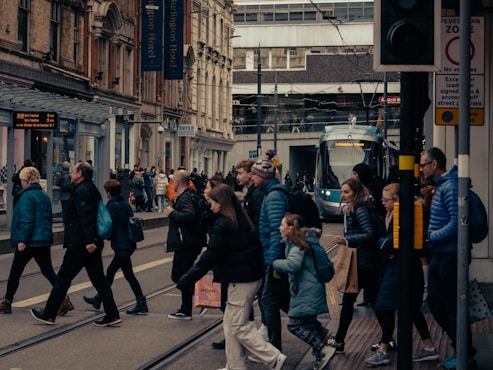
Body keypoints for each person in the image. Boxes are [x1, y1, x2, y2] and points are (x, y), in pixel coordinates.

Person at [176, 184, 287, 370]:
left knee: (237, 326)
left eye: (211, 202)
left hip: (240, 280)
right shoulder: (239, 218)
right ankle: (236, 365)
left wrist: (187, 278)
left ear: (221, 203)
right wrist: (206, 209)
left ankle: (273, 357)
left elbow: (209, 256)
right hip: (248, 277)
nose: (209, 205)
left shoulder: (224, 224)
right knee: (230, 324)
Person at [31, 161, 121, 327]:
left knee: (63, 278)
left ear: (80, 174)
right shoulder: (90, 189)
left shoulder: (82, 191)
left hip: (81, 244)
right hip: (88, 243)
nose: (71, 174)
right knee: (99, 280)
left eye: (73, 171)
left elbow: (85, 218)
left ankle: (49, 314)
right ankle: (112, 314)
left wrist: (89, 241)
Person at [365, 183, 439, 366]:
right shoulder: (399, 213)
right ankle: (428, 346)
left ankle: (384, 349)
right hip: (406, 267)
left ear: (397, 200)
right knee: (411, 309)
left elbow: (388, 244)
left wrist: (382, 244)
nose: (383, 203)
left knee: (383, 306)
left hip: (400, 269)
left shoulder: (401, 215)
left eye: (386, 199)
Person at [420, 147, 477, 369]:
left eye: (424, 164)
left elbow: (458, 222)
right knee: (435, 302)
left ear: (434, 165)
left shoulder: (451, 186)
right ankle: (461, 348)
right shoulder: (441, 186)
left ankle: (465, 354)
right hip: (440, 253)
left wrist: (431, 236)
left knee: (453, 307)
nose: (422, 169)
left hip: (451, 254)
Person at [0, 167, 73, 316]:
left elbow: (27, 220)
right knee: (48, 271)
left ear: (25, 180)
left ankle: (7, 301)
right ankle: (64, 298)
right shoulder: (44, 196)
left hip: (30, 241)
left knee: (15, 271)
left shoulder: (26, 196)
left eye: (22, 179)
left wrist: (22, 240)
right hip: (43, 240)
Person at [273, 213, 332, 370]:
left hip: (308, 291)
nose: (280, 227)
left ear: (290, 228)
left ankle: (323, 348)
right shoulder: (302, 242)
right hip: (312, 288)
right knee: (310, 323)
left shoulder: (297, 246)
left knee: (294, 325)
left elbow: (293, 265)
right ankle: (322, 355)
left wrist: (275, 263)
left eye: (282, 224)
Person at [82, 179, 148, 315]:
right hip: (127, 243)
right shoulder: (125, 204)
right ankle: (99, 298)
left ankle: (141, 302)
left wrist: (101, 237)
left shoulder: (112, 206)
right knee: (113, 272)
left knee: (125, 274)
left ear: (109, 193)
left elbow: (108, 225)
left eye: (106, 192)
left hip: (121, 245)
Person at [328, 178, 379, 353]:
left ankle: (388, 338)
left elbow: (370, 234)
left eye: (347, 192)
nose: (343, 195)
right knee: (353, 301)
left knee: (372, 302)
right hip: (360, 262)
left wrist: (347, 240)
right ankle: (340, 339)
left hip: (363, 263)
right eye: (342, 192)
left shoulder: (360, 210)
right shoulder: (351, 209)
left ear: (356, 193)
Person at [251, 150, 290, 351]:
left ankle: (275, 349)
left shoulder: (274, 197)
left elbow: (277, 231)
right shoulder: (270, 194)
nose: (252, 177)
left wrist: (274, 261)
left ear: (265, 177)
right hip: (271, 256)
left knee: (268, 301)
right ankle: (312, 327)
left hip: (273, 257)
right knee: (278, 300)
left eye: (255, 174)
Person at [165, 169, 207, 320]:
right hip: (191, 242)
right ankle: (185, 309)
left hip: (186, 243)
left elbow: (189, 216)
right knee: (185, 275)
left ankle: (203, 298)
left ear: (176, 182)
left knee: (178, 276)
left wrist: (172, 213)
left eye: (172, 182)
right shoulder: (189, 195)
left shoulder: (184, 198)